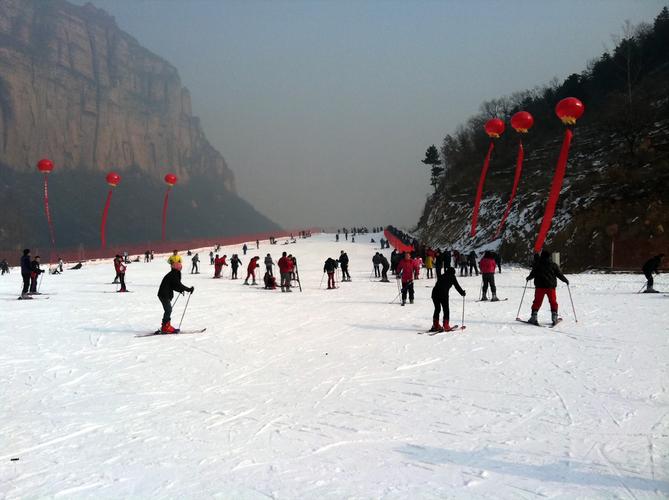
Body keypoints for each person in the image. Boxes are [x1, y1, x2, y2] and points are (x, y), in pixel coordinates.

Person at [525, 249, 569, 326]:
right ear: (549, 257)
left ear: (542, 256)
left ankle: (534, 317)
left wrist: (528, 278)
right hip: (550, 287)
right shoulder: (553, 265)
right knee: (553, 301)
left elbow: (533, 274)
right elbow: (559, 274)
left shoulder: (537, 264)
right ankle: (554, 317)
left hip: (540, 287)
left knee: (537, 301)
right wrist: (565, 280)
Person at [157, 261, 193, 333]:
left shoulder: (173, 273)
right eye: (180, 266)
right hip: (164, 294)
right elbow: (178, 284)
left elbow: (174, 285)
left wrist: (181, 290)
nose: (181, 267)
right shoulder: (174, 274)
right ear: (177, 267)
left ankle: (165, 325)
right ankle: (165, 327)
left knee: (168, 310)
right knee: (168, 310)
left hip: (163, 294)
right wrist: (187, 289)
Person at [430, 267, 466, 332]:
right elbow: (457, 286)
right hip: (443, 294)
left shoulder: (442, 275)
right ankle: (446, 325)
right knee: (446, 309)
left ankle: (436, 325)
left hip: (434, 293)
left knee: (437, 309)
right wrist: (462, 293)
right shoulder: (452, 277)